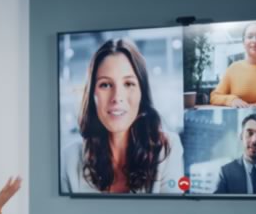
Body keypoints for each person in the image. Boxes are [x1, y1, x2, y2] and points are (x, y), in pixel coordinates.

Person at [62, 38, 184, 194]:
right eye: (105, 84)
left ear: (142, 92)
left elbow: (171, 213)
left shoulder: (168, 148)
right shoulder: (69, 159)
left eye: (128, 84)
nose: (117, 97)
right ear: (93, 94)